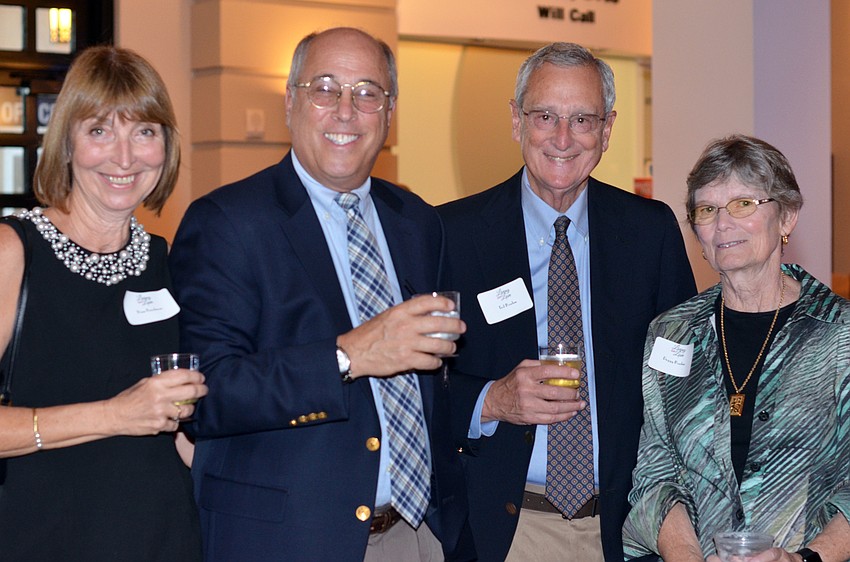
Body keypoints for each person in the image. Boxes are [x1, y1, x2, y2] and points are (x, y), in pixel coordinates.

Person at [168, 27, 475, 561]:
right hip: (290, 541)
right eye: (326, 88)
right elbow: (206, 396)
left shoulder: (418, 222)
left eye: (366, 93)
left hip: (420, 537)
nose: (346, 111)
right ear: (291, 101)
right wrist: (347, 356)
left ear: (388, 112)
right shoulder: (228, 222)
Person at [438, 42, 697, 561]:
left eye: (582, 119)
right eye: (545, 116)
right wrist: (491, 400)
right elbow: (412, 386)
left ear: (607, 129)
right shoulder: (450, 235)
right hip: (502, 532)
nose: (562, 138)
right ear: (516, 121)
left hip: (625, 530)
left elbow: (684, 382)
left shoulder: (650, 233)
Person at [0, 46, 207, 560]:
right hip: (45, 539)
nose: (124, 156)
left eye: (144, 132)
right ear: (67, 143)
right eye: (99, 131)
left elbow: (177, 434)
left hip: (166, 540)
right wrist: (115, 414)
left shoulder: (167, 260)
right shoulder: (13, 250)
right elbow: (128, 415)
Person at [623, 134, 850, 562]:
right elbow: (656, 473)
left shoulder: (839, 334)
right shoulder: (672, 333)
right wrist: (687, 557)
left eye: (743, 204)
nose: (722, 224)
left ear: (786, 217)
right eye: (707, 210)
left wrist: (806, 559)